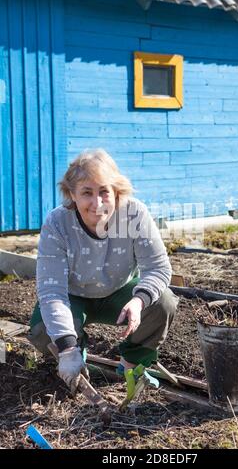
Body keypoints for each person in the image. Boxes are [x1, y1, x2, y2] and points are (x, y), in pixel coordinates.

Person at [28, 148, 178, 398]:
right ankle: (78, 359)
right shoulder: (57, 223)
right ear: (72, 194)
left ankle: (132, 367)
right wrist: (66, 350)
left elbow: (158, 267)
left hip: (120, 293)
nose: (97, 204)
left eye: (104, 192)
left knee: (163, 303)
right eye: (87, 192)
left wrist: (139, 301)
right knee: (44, 330)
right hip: (72, 295)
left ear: (117, 192)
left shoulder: (133, 214)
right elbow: (51, 291)